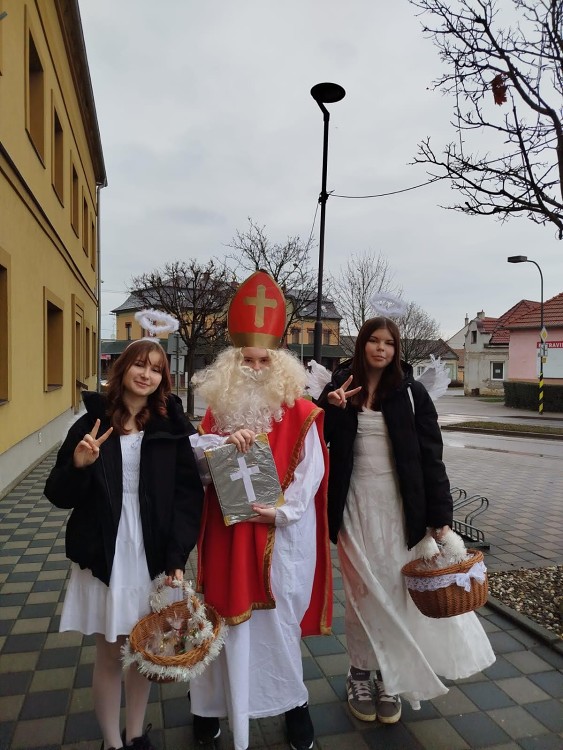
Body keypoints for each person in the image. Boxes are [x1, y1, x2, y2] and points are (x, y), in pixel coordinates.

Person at [316, 316, 495, 724]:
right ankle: (359, 672)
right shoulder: (340, 386)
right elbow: (316, 440)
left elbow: (431, 458)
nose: (381, 348)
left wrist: (440, 516)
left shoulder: (411, 394)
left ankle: (388, 677)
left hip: (400, 510)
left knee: (395, 593)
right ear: (362, 345)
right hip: (353, 506)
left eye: (389, 343)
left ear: (396, 349)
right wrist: (330, 408)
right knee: (362, 593)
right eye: (374, 341)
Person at [188, 270, 331, 750]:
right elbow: (199, 475)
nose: (254, 367)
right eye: (245, 360)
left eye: (262, 359)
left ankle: (292, 704)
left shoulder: (303, 413)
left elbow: (311, 476)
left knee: (276, 626)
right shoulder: (216, 414)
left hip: (279, 540)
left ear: (278, 362)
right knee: (221, 620)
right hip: (226, 535)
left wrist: (281, 513)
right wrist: (220, 446)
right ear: (232, 364)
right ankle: (210, 706)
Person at [44, 338, 204, 750]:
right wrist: (79, 465)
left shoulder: (169, 426)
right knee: (111, 654)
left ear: (163, 377)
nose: (146, 374)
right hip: (106, 552)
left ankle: (135, 736)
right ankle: (112, 742)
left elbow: (188, 497)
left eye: (155, 368)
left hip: (151, 553)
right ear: (123, 368)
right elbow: (58, 493)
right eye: (139, 364)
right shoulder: (92, 423)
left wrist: (177, 557)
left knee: (145, 649)